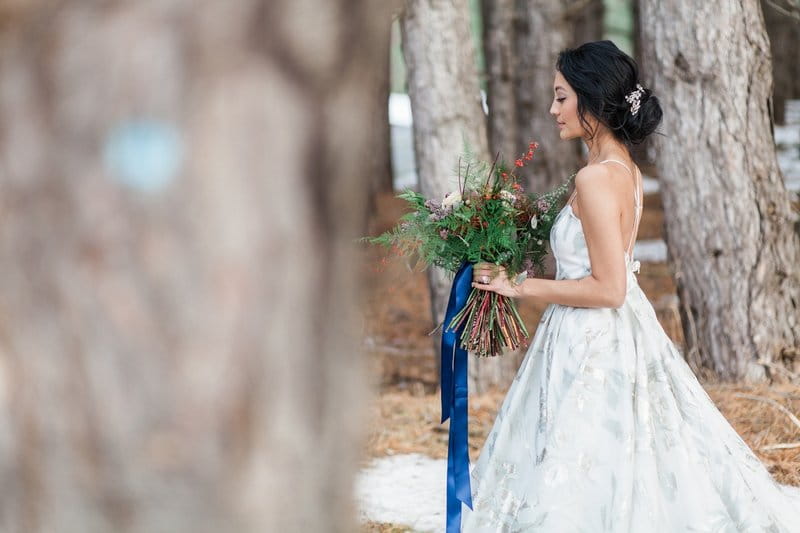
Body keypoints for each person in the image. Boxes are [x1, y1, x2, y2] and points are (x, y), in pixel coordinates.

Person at [459, 40, 800, 532]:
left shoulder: (596, 179)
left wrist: (520, 287)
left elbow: (608, 288)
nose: (554, 110)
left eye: (562, 96)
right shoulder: (626, 171)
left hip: (591, 341)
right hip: (608, 334)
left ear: (592, 99)